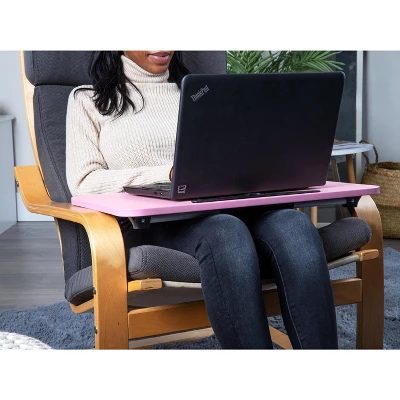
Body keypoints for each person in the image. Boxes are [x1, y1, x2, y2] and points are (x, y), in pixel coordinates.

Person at [66, 51, 341, 349]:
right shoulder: (89, 100)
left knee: (294, 224)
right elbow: (83, 182)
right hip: (150, 225)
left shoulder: (202, 93)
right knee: (224, 232)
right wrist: (168, 174)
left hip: (229, 207)